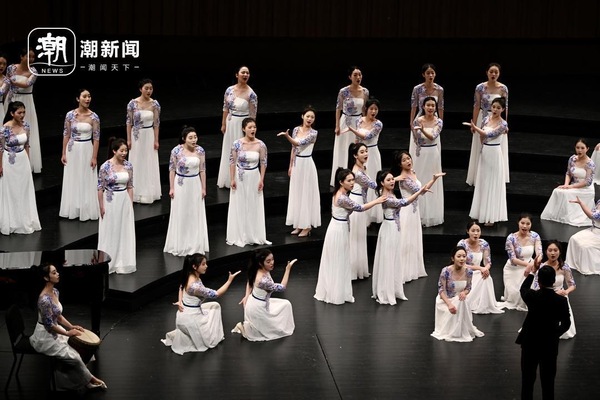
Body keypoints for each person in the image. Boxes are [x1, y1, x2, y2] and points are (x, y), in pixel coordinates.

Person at [29, 263, 107, 390]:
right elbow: (49, 325)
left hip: (55, 330)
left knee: (81, 349)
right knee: (74, 357)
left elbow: (58, 316)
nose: (58, 274)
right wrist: (67, 333)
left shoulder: (55, 292)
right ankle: (90, 379)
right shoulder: (44, 300)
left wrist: (71, 327)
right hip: (45, 337)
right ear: (46, 278)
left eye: (56, 271)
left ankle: (82, 380)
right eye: (54, 272)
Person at [314, 168, 386, 305]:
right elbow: (360, 208)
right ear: (341, 182)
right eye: (349, 180)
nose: (352, 183)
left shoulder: (341, 194)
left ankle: (337, 290)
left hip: (338, 227)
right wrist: (376, 201)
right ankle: (335, 293)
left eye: (353, 180)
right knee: (338, 259)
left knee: (339, 259)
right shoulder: (342, 198)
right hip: (338, 230)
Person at [371, 169, 441, 305]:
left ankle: (395, 289)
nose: (392, 181)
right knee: (388, 259)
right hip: (389, 229)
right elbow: (403, 203)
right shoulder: (385, 197)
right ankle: (385, 291)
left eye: (392, 179)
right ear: (382, 183)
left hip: (395, 228)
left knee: (395, 258)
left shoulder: (390, 193)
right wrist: (419, 192)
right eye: (388, 180)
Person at [162, 254, 240, 354]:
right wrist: (229, 281)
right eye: (203, 264)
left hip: (185, 312)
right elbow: (216, 294)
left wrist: (180, 301)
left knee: (215, 305)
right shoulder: (195, 287)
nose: (206, 266)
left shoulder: (188, 275)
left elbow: (181, 287)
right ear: (194, 266)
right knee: (215, 308)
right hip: (190, 318)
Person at [516, 264, 570, 400]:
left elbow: (523, 288)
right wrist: (554, 334)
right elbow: (566, 324)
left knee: (527, 381)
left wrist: (532, 272)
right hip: (549, 346)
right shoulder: (561, 301)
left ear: (539, 281)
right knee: (548, 383)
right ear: (553, 281)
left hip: (530, 343)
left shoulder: (532, 296)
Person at [163, 126, 209, 256]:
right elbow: (172, 170)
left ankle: (195, 242)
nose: (194, 140)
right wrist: (172, 187)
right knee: (182, 211)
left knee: (194, 212)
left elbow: (202, 170)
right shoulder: (176, 151)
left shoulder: (200, 151)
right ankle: (181, 242)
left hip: (195, 183)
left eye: (195, 137)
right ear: (184, 139)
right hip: (181, 184)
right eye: (190, 138)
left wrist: (203, 188)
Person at [232, 249, 296, 341]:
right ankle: (246, 329)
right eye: (268, 261)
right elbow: (282, 287)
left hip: (258, 301)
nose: (272, 263)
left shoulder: (258, 269)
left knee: (286, 304)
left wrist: (246, 296)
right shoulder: (263, 281)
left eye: (272, 259)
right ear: (260, 263)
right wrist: (288, 269)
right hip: (258, 308)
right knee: (272, 330)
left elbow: (249, 282)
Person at [226, 117, 270, 247]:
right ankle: (240, 234)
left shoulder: (261, 145)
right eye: (250, 127)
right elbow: (232, 162)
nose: (253, 129)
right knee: (240, 204)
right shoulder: (237, 144)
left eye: (254, 127)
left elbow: (263, 163)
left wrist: (261, 179)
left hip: (254, 176)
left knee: (253, 204)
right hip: (240, 177)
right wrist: (232, 179)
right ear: (243, 129)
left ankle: (253, 233)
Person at [277, 106, 321, 237]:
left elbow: (298, 143)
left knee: (306, 194)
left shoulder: (314, 133)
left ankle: (307, 226)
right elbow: (293, 148)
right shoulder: (296, 129)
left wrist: (287, 136)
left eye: (312, 117)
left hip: (307, 165)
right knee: (297, 193)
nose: (310, 119)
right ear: (302, 116)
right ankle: (298, 224)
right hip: (298, 164)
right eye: (308, 116)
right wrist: (291, 165)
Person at [0, 101, 41, 235]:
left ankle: (25, 219)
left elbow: (27, 145)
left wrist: (28, 162)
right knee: (12, 190)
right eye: (19, 113)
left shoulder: (26, 126)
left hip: (22, 160)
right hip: (9, 162)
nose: (22, 115)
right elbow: (1, 148)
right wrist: (0, 165)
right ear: (12, 113)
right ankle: (12, 221)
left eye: (24, 112)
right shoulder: (5, 128)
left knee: (23, 190)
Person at [59, 89, 100, 221]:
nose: (88, 99)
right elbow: (66, 134)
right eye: (84, 96)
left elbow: (96, 138)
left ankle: (86, 207)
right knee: (73, 176)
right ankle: (73, 206)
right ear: (78, 98)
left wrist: (94, 157)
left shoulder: (94, 117)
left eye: (89, 96)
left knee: (86, 176)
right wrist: (63, 153)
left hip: (87, 148)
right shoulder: (70, 115)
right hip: (73, 149)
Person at [466, 63, 509, 186]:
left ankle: (496, 177)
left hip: (498, 120)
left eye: (496, 72)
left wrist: (505, 124)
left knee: (496, 146)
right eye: (491, 72)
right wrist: (474, 123)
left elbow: (505, 107)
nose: (493, 74)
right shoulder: (480, 87)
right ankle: (479, 177)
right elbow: (476, 105)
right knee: (480, 146)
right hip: (483, 118)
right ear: (487, 73)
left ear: (499, 74)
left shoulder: (503, 88)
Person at [97, 137, 136, 274]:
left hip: (124, 200)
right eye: (121, 150)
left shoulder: (128, 166)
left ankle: (123, 261)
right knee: (110, 230)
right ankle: (109, 261)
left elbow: (130, 186)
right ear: (114, 151)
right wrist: (101, 206)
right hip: (110, 201)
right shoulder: (105, 167)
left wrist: (130, 204)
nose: (124, 153)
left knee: (123, 230)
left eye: (126, 150)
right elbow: (100, 188)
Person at [468, 97, 509, 226]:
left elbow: (489, 134)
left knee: (492, 182)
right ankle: (481, 213)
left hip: (494, 153)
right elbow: (482, 136)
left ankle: (491, 216)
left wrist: (474, 127)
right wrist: (482, 147)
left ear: (503, 109)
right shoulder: (486, 119)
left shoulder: (503, 124)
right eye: (494, 107)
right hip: (485, 152)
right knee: (484, 181)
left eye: (498, 108)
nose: (495, 109)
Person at [431, 246, 484, 342]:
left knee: (461, 301)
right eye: (459, 256)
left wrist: (464, 292)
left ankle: (460, 329)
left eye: (464, 256)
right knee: (460, 301)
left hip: (460, 298)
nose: (462, 259)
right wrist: (449, 304)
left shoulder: (468, 272)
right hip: (446, 300)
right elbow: (441, 290)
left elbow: (468, 287)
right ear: (453, 258)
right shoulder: (446, 271)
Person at [217, 66, 257, 189]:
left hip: (242, 124)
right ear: (237, 75)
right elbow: (225, 107)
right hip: (230, 123)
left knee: (240, 150)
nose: (245, 75)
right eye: (243, 72)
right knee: (229, 149)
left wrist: (250, 130)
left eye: (247, 73)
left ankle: (239, 179)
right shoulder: (229, 90)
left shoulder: (251, 94)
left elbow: (252, 115)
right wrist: (223, 124)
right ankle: (227, 178)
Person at [541, 138, 596, 226]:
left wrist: (570, 187)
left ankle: (569, 216)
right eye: (577, 148)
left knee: (567, 193)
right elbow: (568, 173)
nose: (580, 150)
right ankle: (557, 215)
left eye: (582, 148)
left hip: (585, 189)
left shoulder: (590, 164)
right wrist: (566, 184)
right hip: (574, 185)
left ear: (587, 149)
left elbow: (587, 182)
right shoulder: (572, 159)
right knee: (557, 190)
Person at [330, 66, 369, 186]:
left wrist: (365, 124)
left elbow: (364, 109)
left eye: (360, 75)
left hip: (358, 122)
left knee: (357, 149)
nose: (358, 77)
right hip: (346, 122)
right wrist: (337, 125)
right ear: (350, 77)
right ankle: (342, 177)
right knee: (343, 148)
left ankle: (357, 177)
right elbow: (338, 108)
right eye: (355, 75)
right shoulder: (343, 91)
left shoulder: (365, 92)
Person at [347, 97, 383, 224]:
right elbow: (357, 139)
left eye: (376, 109)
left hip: (372, 153)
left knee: (371, 180)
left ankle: (373, 213)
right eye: (371, 109)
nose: (373, 111)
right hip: (360, 153)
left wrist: (351, 129)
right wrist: (356, 153)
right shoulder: (359, 120)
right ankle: (363, 214)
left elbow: (367, 136)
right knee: (361, 183)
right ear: (366, 109)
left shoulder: (378, 124)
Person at [126, 78, 161, 204]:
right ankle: (135, 191)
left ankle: (149, 191)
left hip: (149, 134)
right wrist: (128, 139)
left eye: (151, 88)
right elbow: (129, 122)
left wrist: (156, 140)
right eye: (146, 88)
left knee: (148, 161)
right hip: (136, 136)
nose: (149, 91)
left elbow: (156, 123)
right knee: (137, 161)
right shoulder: (132, 104)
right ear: (140, 89)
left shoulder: (155, 104)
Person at [395, 150, 428, 282]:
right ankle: (404, 271)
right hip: (407, 210)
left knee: (414, 237)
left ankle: (414, 268)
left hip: (415, 210)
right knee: (406, 239)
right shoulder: (404, 178)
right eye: (404, 160)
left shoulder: (412, 172)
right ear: (400, 164)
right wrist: (433, 180)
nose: (408, 161)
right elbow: (419, 191)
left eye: (408, 158)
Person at [457, 221, 504, 314]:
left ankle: (483, 303)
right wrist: (480, 268)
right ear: (468, 231)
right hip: (465, 272)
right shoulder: (462, 244)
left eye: (478, 231)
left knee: (486, 277)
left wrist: (485, 269)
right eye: (473, 231)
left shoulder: (484, 244)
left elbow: (488, 262)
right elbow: (461, 264)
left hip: (478, 272)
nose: (476, 233)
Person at [498, 213, 543, 311]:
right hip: (514, 268)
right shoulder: (511, 238)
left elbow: (540, 255)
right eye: (522, 223)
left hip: (530, 266)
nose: (525, 226)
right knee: (516, 296)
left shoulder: (535, 236)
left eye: (528, 224)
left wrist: (531, 265)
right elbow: (513, 259)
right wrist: (528, 265)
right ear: (518, 223)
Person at [7, 49, 42, 173]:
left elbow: (27, 83)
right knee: (10, 128)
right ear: (21, 56)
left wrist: (12, 81)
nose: (31, 59)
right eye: (28, 56)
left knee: (26, 128)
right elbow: (8, 83)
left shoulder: (34, 71)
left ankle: (28, 161)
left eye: (33, 57)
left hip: (26, 100)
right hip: (12, 99)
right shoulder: (11, 68)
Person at [533, 240, 576, 339]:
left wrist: (566, 291)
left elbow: (572, 284)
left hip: (560, 298)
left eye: (555, 250)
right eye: (550, 250)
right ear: (546, 252)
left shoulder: (564, 267)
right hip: (545, 298)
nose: (553, 253)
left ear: (560, 252)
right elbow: (536, 286)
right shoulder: (542, 267)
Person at [412, 96, 444, 227]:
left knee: (431, 181)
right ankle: (419, 215)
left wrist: (422, 129)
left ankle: (431, 214)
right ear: (423, 107)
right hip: (421, 154)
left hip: (432, 154)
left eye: (433, 105)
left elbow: (433, 137)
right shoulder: (418, 120)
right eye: (428, 105)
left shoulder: (438, 122)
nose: (430, 108)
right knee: (420, 181)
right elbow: (416, 138)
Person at [348, 143, 377, 280]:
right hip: (357, 202)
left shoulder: (363, 168)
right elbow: (374, 185)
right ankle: (352, 270)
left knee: (359, 236)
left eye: (366, 151)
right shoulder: (358, 173)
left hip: (361, 201)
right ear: (355, 155)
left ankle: (359, 269)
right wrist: (394, 179)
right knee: (355, 237)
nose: (366, 154)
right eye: (362, 152)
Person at [409, 63, 444, 158]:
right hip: (420, 117)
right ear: (423, 74)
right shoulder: (417, 89)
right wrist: (411, 122)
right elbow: (414, 106)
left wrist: (441, 121)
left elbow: (440, 106)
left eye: (432, 73)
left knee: (432, 140)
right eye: (428, 73)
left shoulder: (439, 89)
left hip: (434, 118)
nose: (430, 75)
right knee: (418, 143)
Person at [565, 196, 600, 275]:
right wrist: (580, 203)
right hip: (594, 230)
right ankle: (571, 263)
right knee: (574, 238)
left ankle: (586, 267)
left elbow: (592, 216)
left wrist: (581, 203)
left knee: (584, 245)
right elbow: (592, 212)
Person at [0, 53, 9, 120]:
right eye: (0, 63)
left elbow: (6, 98)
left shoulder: (6, 80)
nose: (2, 66)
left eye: (4, 64)